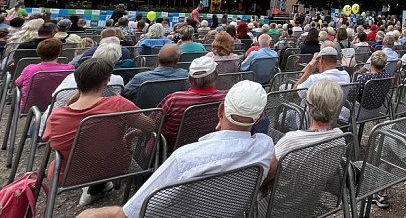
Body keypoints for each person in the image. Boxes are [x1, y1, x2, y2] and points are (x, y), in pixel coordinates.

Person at [78, 80, 277, 218]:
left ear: (221, 110)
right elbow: (269, 172)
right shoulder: (265, 146)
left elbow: (130, 213)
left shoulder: (185, 158)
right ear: (259, 119)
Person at [43, 58, 141, 207]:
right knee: (101, 151)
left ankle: (96, 186)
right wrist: (132, 134)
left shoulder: (57, 116)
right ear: (105, 82)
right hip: (116, 165)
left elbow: (50, 141)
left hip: (69, 175)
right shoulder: (118, 104)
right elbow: (151, 125)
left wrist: (71, 102)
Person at [158, 56, 227, 147]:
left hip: (172, 151)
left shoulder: (175, 99)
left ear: (190, 78)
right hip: (211, 148)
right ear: (216, 75)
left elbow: (153, 123)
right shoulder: (227, 97)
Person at [15, 38, 74, 106]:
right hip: (57, 106)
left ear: (38, 52)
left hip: (31, 107)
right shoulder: (69, 69)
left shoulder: (30, 69)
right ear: (59, 53)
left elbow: (18, 83)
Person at [123, 44, 188, 99]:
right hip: (173, 111)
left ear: (157, 58)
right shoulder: (184, 75)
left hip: (144, 112)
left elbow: (124, 93)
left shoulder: (140, 78)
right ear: (177, 61)